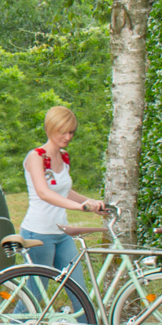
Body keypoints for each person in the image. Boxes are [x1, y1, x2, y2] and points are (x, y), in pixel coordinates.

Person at [18, 105, 106, 301]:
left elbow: (64, 190)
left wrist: (90, 203)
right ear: (50, 128)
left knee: (80, 294)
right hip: (39, 232)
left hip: (61, 233)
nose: (67, 137)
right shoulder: (35, 157)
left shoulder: (64, 157)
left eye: (71, 132)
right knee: (35, 296)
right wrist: (80, 207)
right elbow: (44, 193)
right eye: (62, 131)